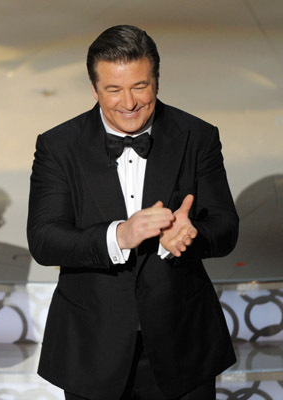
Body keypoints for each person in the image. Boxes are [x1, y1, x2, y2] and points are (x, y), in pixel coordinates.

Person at [27, 25, 238, 400]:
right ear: (94, 90)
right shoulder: (58, 145)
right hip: (92, 347)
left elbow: (225, 227)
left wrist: (192, 236)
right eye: (113, 89)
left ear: (156, 81)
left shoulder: (197, 136)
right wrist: (119, 236)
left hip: (182, 344)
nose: (129, 102)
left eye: (140, 86)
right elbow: (44, 240)